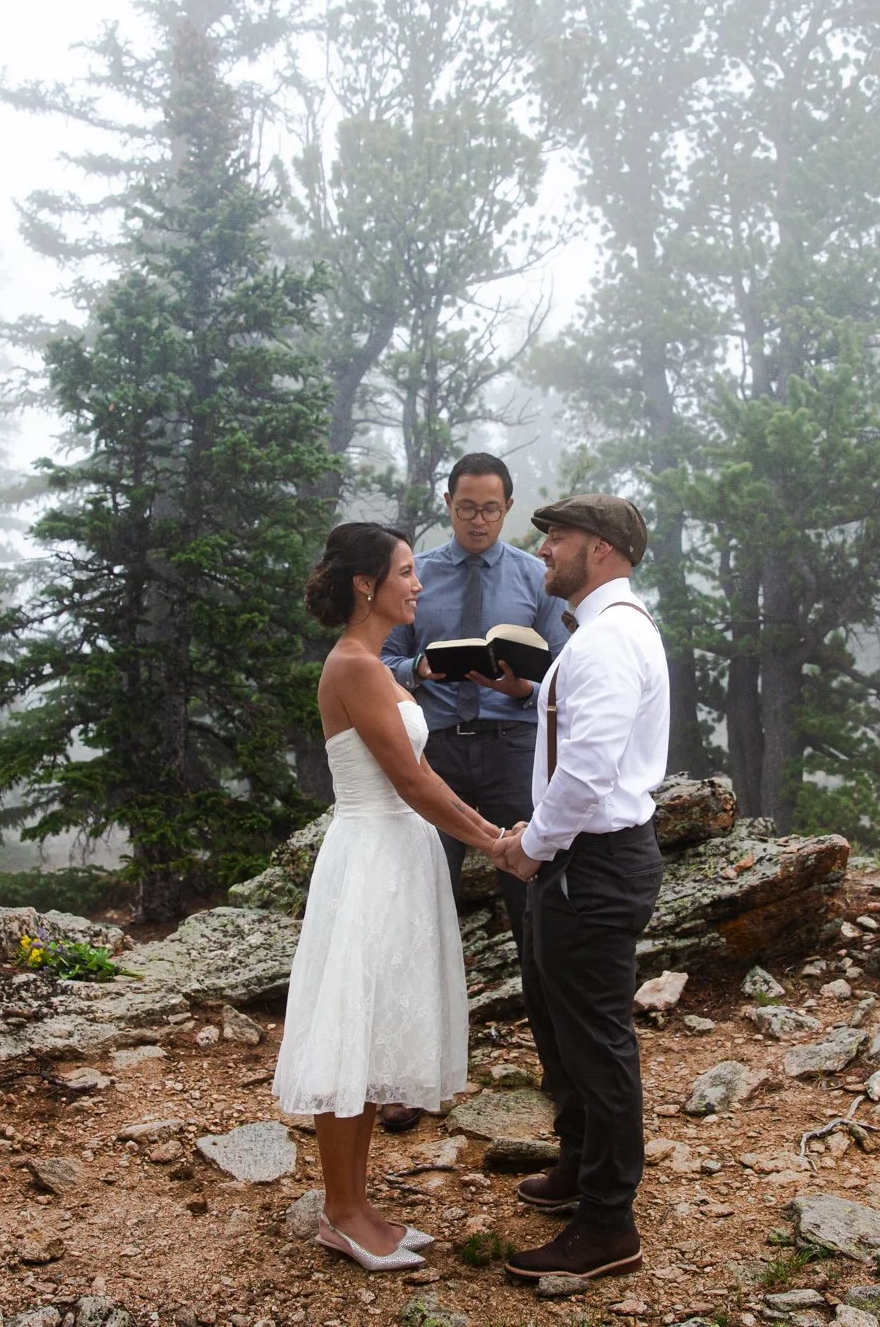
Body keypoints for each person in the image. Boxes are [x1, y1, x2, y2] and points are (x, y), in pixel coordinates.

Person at [274, 522, 506, 1273]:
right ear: (365, 585)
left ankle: (359, 1203)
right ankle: (340, 1212)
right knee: (351, 1027)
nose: (418, 584)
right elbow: (412, 780)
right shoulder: (357, 666)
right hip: (372, 855)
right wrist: (494, 839)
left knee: (369, 1035)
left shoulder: (372, 663)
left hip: (393, 854)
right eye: (406, 572)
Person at [492, 494, 669, 1284]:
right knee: (558, 1023)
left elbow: (590, 769)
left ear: (599, 548)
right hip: (585, 861)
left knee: (597, 1043)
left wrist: (530, 847)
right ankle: (577, 1164)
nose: (544, 552)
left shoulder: (607, 641)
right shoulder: (604, 634)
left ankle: (608, 1225)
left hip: (591, 863)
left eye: (556, 538)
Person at [378, 453, 569, 1132]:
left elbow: (559, 668)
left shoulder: (533, 575)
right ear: (448, 503)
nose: (478, 519)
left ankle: (559, 1064)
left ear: (508, 507)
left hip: (514, 749)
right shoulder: (417, 573)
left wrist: (522, 684)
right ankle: (406, 1077)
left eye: (490, 508)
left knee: (534, 906)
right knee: (422, 906)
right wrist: (420, 666)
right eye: (466, 507)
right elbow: (380, 656)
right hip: (439, 748)